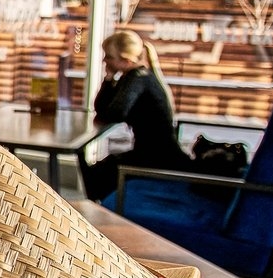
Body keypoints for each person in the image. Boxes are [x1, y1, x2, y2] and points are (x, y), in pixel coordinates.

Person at [79, 30, 192, 201]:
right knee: (102, 169)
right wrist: (108, 78)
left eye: (109, 57)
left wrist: (110, 82)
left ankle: (101, 207)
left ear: (126, 60)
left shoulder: (138, 79)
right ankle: (101, 205)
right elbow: (101, 109)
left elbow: (115, 114)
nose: (104, 61)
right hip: (154, 154)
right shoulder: (136, 76)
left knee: (101, 172)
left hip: (158, 158)